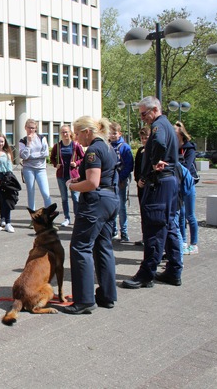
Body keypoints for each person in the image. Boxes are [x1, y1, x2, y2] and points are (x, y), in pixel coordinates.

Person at [122, 96, 183, 289]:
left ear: (154, 109)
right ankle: (174, 270)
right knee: (169, 225)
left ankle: (146, 275)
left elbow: (159, 142)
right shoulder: (166, 125)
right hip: (169, 182)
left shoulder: (159, 127)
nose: (142, 118)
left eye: (143, 114)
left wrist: (155, 162)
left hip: (159, 183)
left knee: (154, 227)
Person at [61, 116, 119, 314]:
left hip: (96, 203)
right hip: (110, 199)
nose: (76, 139)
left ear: (87, 131)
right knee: (103, 246)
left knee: (80, 247)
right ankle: (108, 295)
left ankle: (84, 300)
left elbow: (93, 183)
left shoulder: (94, 149)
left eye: (77, 133)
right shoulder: (108, 146)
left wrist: (73, 185)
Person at [50, 124, 85, 227]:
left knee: (75, 198)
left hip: (73, 175)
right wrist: (56, 164)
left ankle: (77, 218)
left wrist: (76, 163)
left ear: (70, 133)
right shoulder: (58, 146)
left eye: (66, 132)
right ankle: (67, 218)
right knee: (64, 198)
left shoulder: (75, 145)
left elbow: (83, 158)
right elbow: (52, 158)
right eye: (62, 132)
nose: (65, 134)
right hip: (61, 175)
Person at [175, 121, 199, 255]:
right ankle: (183, 242)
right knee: (181, 214)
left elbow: (187, 166)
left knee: (190, 215)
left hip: (188, 185)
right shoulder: (174, 148)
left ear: (181, 135)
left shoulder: (189, 149)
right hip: (178, 184)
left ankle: (194, 244)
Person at [19, 119, 52, 214]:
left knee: (46, 193)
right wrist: (28, 143)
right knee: (31, 193)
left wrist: (32, 156)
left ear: (36, 128)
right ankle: (33, 218)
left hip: (40, 169)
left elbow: (45, 153)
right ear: (25, 128)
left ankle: (49, 215)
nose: (31, 130)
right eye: (29, 127)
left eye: (33, 128)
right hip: (28, 169)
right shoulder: (23, 141)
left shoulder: (42, 138)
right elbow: (23, 156)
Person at [109, 122, 134, 242]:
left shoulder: (124, 147)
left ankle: (124, 232)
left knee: (121, 207)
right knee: (111, 207)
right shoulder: (107, 146)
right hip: (109, 181)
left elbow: (129, 165)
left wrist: (120, 178)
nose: (112, 135)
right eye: (110, 133)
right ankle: (113, 231)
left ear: (119, 134)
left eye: (114, 133)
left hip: (120, 181)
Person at [133, 126, 150, 246]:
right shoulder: (140, 151)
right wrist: (138, 180)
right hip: (140, 186)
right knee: (143, 213)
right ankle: (145, 237)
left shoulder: (153, 151)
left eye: (146, 138)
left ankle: (150, 238)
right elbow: (137, 168)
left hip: (150, 186)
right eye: (142, 138)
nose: (144, 140)